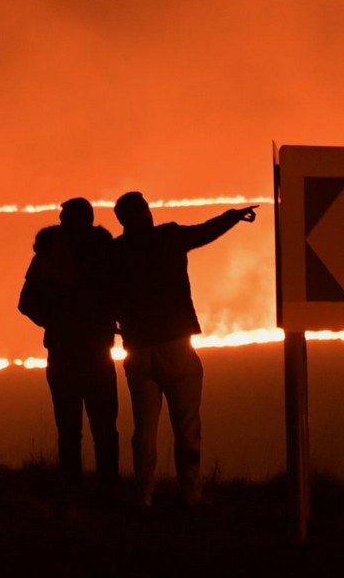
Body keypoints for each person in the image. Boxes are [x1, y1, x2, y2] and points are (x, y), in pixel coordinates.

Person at [110, 191, 257, 508]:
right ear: (146, 212)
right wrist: (233, 215)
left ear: (121, 220)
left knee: (144, 430)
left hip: (137, 349)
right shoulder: (168, 238)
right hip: (176, 343)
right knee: (187, 426)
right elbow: (205, 232)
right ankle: (191, 495)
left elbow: (103, 294)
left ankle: (143, 497)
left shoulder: (115, 252)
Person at [18, 197, 120, 494]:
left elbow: (26, 303)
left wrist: (54, 321)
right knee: (103, 429)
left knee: (70, 428)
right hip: (95, 350)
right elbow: (119, 294)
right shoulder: (106, 255)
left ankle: (72, 488)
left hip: (65, 351)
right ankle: (107, 490)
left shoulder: (47, 257)